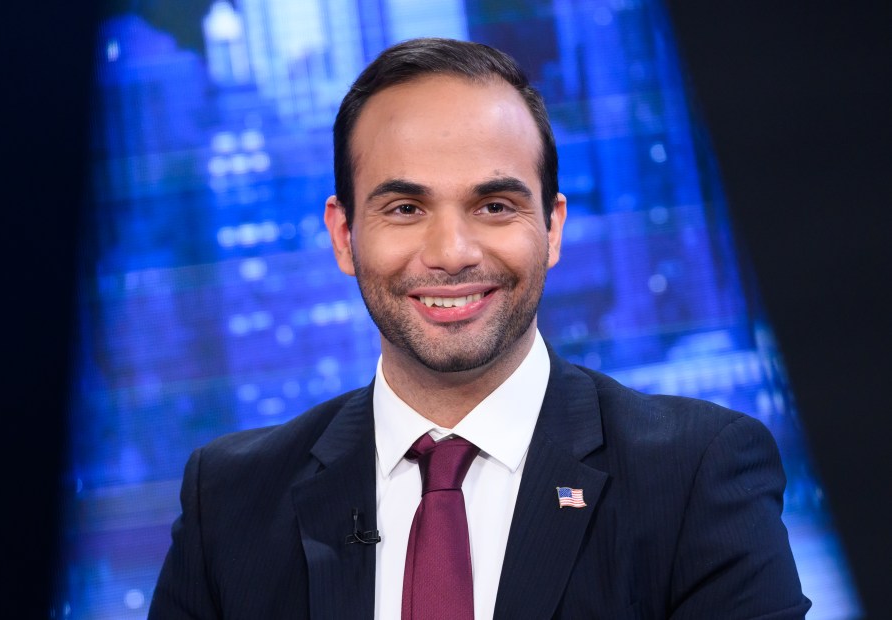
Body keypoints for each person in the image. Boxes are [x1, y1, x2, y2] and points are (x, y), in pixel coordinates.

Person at [150, 38, 810, 619]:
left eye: (493, 205)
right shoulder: (229, 501)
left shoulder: (695, 476)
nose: (451, 251)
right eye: (405, 208)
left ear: (551, 227)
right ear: (344, 235)